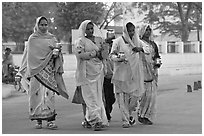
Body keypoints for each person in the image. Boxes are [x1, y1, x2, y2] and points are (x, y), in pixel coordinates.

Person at [17, 16, 69, 129]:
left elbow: (57, 53)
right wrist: (23, 72)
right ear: (37, 25)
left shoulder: (52, 38)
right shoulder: (33, 39)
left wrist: (57, 53)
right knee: (36, 95)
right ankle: (39, 120)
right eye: (41, 24)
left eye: (46, 24)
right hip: (36, 73)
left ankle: (50, 120)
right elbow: (29, 56)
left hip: (49, 71)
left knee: (49, 95)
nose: (44, 27)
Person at [110, 22, 150, 128]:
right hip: (121, 75)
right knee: (122, 98)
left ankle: (129, 115)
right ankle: (125, 120)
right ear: (125, 31)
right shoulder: (118, 42)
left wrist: (140, 49)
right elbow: (112, 55)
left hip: (134, 75)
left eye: (133, 30)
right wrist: (120, 58)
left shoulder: (137, 41)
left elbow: (148, 49)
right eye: (129, 31)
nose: (131, 33)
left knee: (134, 98)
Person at [74, 20, 109, 131]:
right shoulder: (80, 41)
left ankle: (99, 119)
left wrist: (104, 50)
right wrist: (93, 54)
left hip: (98, 71)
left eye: (91, 28)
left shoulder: (99, 40)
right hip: (86, 72)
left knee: (98, 96)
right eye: (87, 29)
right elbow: (80, 55)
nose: (90, 31)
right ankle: (95, 120)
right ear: (84, 30)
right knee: (90, 96)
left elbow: (104, 55)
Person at [137, 24, 162, 125]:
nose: (147, 32)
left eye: (149, 30)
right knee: (144, 94)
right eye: (146, 30)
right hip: (142, 70)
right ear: (142, 31)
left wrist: (158, 62)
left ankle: (146, 115)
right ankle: (140, 114)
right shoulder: (138, 43)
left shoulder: (153, 44)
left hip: (152, 70)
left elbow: (156, 56)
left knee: (152, 95)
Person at [103, 36, 116, 122]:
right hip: (104, 78)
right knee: (106, 97)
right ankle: (106, 114)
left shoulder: (113, 56)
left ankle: (108, 111)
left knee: (112, 98)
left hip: (111, 78)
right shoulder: (105, 55)